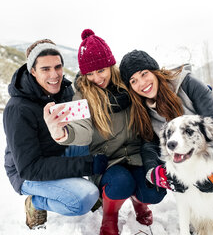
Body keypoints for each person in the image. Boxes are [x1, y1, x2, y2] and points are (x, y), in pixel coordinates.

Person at [119, 49, 213, 228]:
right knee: (202, 223)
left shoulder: (186, 84)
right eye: (133, 81)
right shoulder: (141, 108)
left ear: (155, 71)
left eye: (144, 74)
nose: (142, 83)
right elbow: (148, 145)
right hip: (191, 171)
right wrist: (155, 172)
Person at [44, 30, 166, 235]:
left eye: (100, 70)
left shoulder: (129, 84)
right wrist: (62, 134)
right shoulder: (83, 96)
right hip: (108, 161)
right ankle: (110, 216)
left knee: (154, 190)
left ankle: (139, 202)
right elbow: (82, 130)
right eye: (89, 74)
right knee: (121, 183)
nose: (96, 78)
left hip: (137, 155)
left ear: (110, 65)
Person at [3, 39, 108, 230]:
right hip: (27, 173)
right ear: (32, 71)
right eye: (45, 69)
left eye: (58, 67)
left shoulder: (64, 91)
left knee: (103, 143)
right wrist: (87, 165)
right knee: (83, 199)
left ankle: (89, 185)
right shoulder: (18, 109)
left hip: (59, 153)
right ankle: (36, 203)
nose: (54, 74)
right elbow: (30, 168)